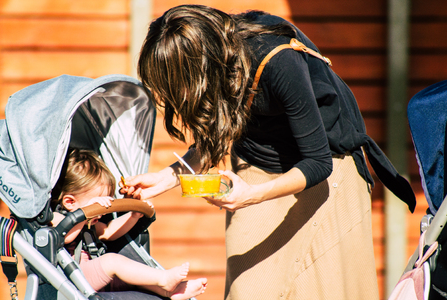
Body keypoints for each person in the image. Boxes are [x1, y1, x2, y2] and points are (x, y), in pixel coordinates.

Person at [121, 5, 416, 300]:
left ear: (201, 66)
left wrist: (251, 196)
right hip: (256, 168)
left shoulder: (278, 60)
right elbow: (219, 129)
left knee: (321, 289)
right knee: (246, 291)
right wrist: (168, 177)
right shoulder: (218, 61)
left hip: (325, 175)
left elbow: (318, 162)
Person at [51, 148, 207, 300]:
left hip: (95, 276)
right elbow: (65, 237)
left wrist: (133, 216)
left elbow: (108, 232)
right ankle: (164, 279)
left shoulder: (92, 225)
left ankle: (172, 292)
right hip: (73, 278)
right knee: (112, 261)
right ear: (70, 202)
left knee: (135, 274)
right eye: (97, 203)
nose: (102, 210)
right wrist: (85, 213)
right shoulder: (57, 218)